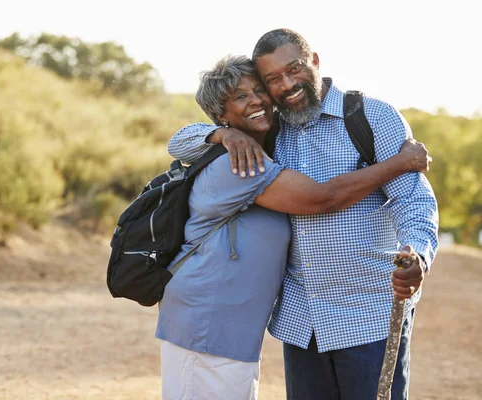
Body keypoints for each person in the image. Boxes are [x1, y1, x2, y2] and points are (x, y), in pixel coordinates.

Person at [157, 54, 432, 400]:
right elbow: (321, 199)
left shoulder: (366, 117)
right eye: (243, 95)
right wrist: (399, 163)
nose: (261, 97)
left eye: (259, 89)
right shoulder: (240, 163)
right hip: (223, 322)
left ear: (313, 61)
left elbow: (414, 200)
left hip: (359, 316)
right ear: (220, 115)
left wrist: (419, 252)